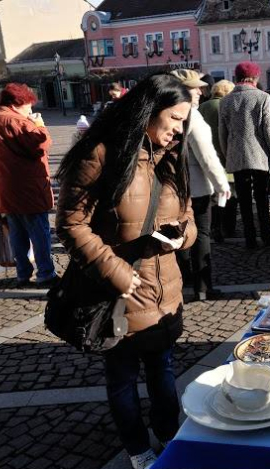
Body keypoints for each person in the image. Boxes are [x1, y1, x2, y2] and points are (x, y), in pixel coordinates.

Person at [55, 74, 197, 469]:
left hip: (164, 291)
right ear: (148, 111)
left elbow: (187, 215)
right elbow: (70, 224)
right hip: (118, 293)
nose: (179, 129)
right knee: (121, 379)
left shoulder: (170, 156)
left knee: (163, 369)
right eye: (174, 118)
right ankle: (138, 449)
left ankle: (169, 434)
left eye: (185, 121)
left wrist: (181, 236)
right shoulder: (100, 154)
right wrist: (116, 272)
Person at [0, 83, 57, 288]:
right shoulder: (14, 121)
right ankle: (46, 274)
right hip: (26, 189)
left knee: (17, 233)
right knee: (39, 232)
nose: (30, 111)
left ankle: (23, 274)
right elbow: (40, 145)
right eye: (28, 106)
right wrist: (39, 125)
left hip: (4, 189)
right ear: (18, 103)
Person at [170, 69, 231, 302]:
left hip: (174, 187)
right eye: (195, 87)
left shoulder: (167, 113)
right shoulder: (191, 115)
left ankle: (184, 281)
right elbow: (207, 156)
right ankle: (203, 287)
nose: (200, 91)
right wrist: (221, 184)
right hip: (196, 187)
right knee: (201, 235)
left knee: (181, 233)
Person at [219, 61, 270, 248]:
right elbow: (269, 130)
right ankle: (266, 236)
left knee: (244, 202)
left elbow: (222, 133)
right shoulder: (261, 97)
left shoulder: (226, 100)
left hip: (237, 157)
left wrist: (226, 154)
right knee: (262, 199)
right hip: (259, 156)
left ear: (237, 78)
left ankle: (250, 239)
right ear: (255, 78)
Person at [199, 79, 237, 243]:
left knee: (213, 195)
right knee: (230, 194)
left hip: (207, 156)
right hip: (226, 156)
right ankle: (228, 227)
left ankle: (214, 226)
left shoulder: (203, 107)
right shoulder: (227, 106)